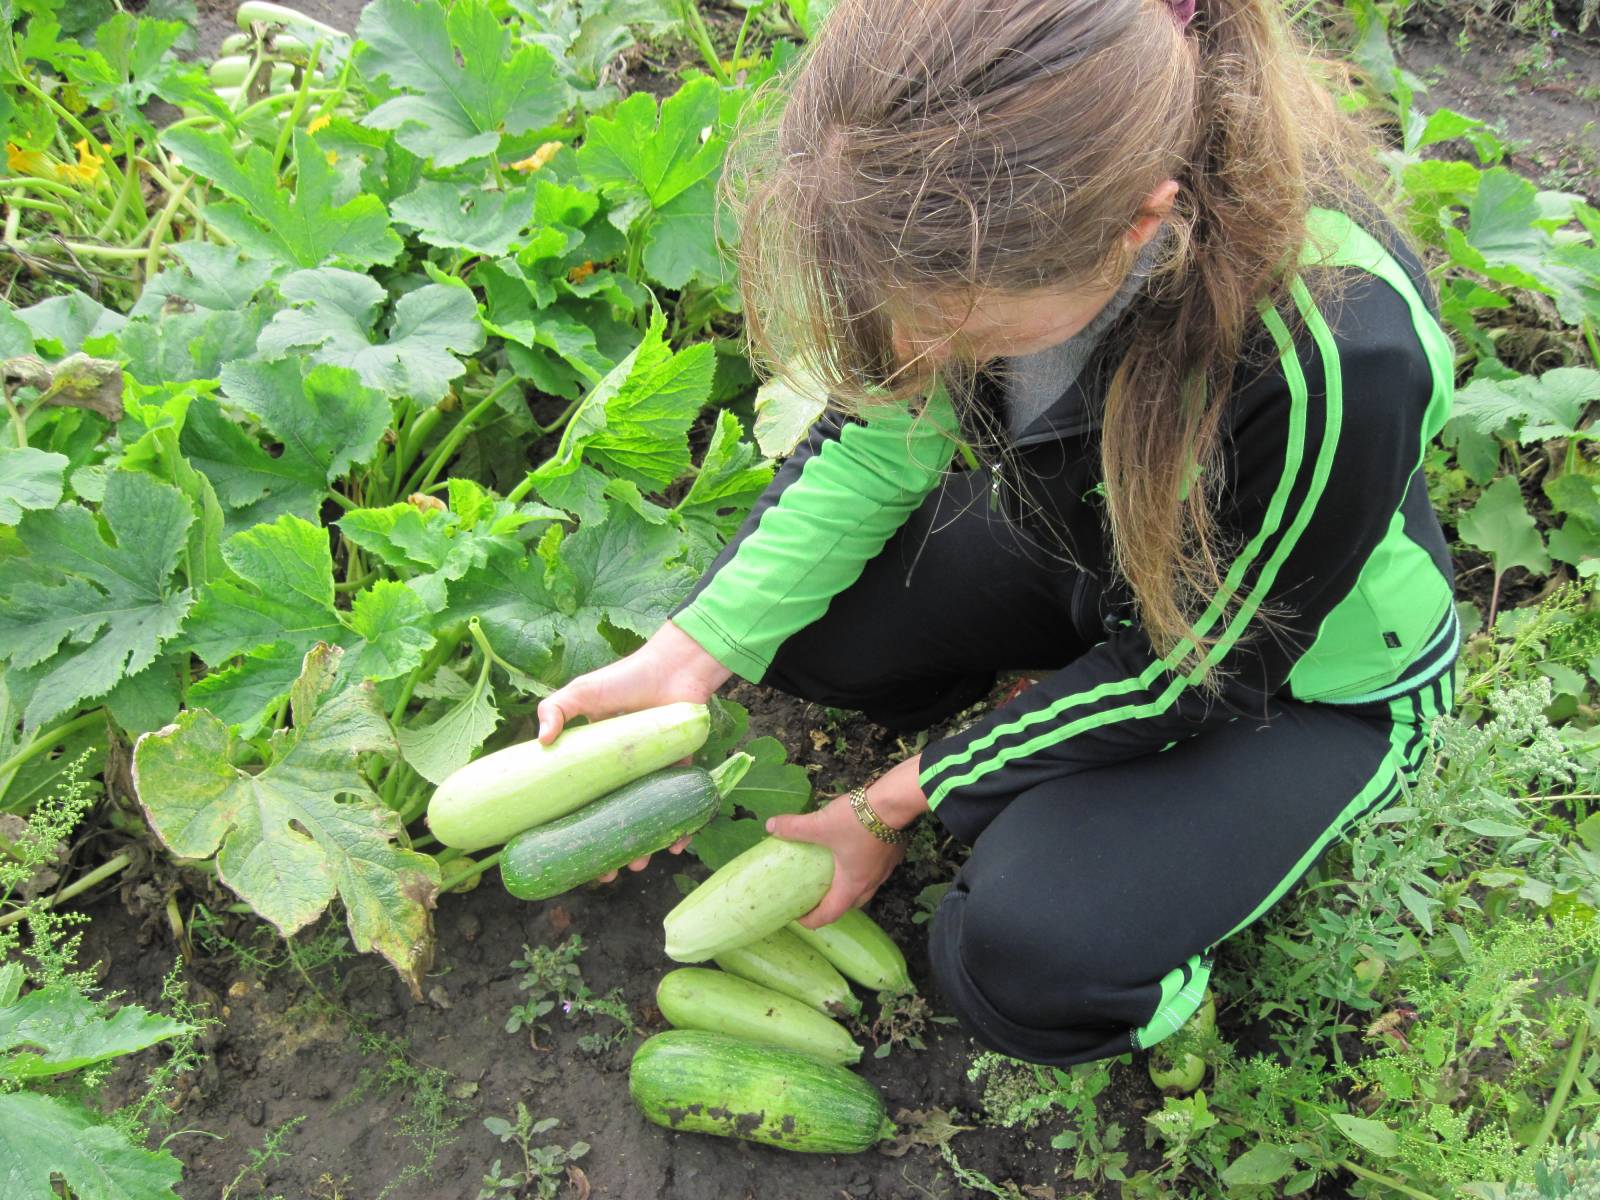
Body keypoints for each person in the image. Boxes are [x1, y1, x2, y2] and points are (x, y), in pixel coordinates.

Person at [533, 0, 1460, 1068]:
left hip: (1299, 676)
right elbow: (878, 438)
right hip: (1094, 549)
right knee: (796, 635)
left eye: (958, 325)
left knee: (1023, 958)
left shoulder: (1337, 359)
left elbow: (1197, 670)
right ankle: (1066, 732)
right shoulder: (968, 186)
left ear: (1139, 226)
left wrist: (890, 803)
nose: (918, 346)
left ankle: (1162, 927)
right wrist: (686, 655)